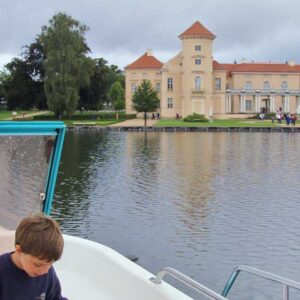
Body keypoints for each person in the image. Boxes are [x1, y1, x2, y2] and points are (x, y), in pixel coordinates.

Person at [0, 213, 68, 299]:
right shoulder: (2, 270)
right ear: (18, 250)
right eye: (38, 264)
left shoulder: (48, 273)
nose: (44, 271)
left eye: (50, 264)